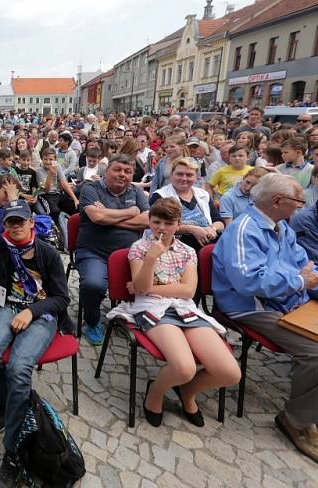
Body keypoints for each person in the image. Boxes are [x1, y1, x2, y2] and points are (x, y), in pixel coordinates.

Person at [0, 200, 71, 488]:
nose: (16, 226)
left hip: (41, 314)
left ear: (32, 222)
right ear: (4, 225)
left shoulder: (47, 252)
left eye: (21, 221)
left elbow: (62, 298)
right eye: (11, 222)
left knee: (20, 366)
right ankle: (12, 402)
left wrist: (32, 311)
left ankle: (12, 453)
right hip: (8, 307)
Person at [212, 173, 318, 463]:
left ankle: (309, 406)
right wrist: (298, 280)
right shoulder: (244, 229)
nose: (301, 207)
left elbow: (304, 265)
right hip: (252, 308)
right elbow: (249, 282)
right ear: (277, 201)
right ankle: (295, 421)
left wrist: (305, 279)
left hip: (287, 300)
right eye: (299, 202)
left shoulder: (282, 227)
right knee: (316, 353)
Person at [109, 198, 240, 428]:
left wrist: (149, 287)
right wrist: (151, 258)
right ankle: (155, 393)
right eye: (156, 221)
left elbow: (188, 290)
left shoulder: (187, 251)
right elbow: (141, 290)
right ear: (149, 222)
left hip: (185, 308)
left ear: (178, 224)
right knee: (184, 366)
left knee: (230, 372)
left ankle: (187, 391)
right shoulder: (139, 248)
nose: (161, 228)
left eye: (168, 223)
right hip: (151, 309)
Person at [77, 154, 150, 345]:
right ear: (106, 171)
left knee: (149, 282)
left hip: (130, 256)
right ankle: (92, 322)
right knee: (93, 285)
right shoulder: (90, 189)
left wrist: (109, 217)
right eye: (117, 170)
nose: (122, 175)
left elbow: (147, 220)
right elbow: (97, 218)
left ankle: (137, 318)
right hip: (94, 253)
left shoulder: (136, 192)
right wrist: (131, 212)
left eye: (128, 171)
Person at [150, 157, 224, 252]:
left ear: (196, 177)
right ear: (171, 175)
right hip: (176, 246)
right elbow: (160, 225)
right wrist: (192, 229)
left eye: (189, 175)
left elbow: (219, 221)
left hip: (208, 242)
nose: (184, 178)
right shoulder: (160, 196)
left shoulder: (203, 194)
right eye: (179, 174)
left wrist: (213, 228)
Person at [37, 148, 78, 224]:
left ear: (55, 160)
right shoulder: (39, 171)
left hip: (57, 193)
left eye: (51, 159)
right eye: (45, 159)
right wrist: (50, 174)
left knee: (75, 206)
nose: (48, 162)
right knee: (55, 211)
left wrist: (75, 199)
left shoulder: (57, 166)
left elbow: (64, 183)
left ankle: (73, 224)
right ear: (42, 159)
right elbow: (46, 190)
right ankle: (55, 229)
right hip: (45, 195)